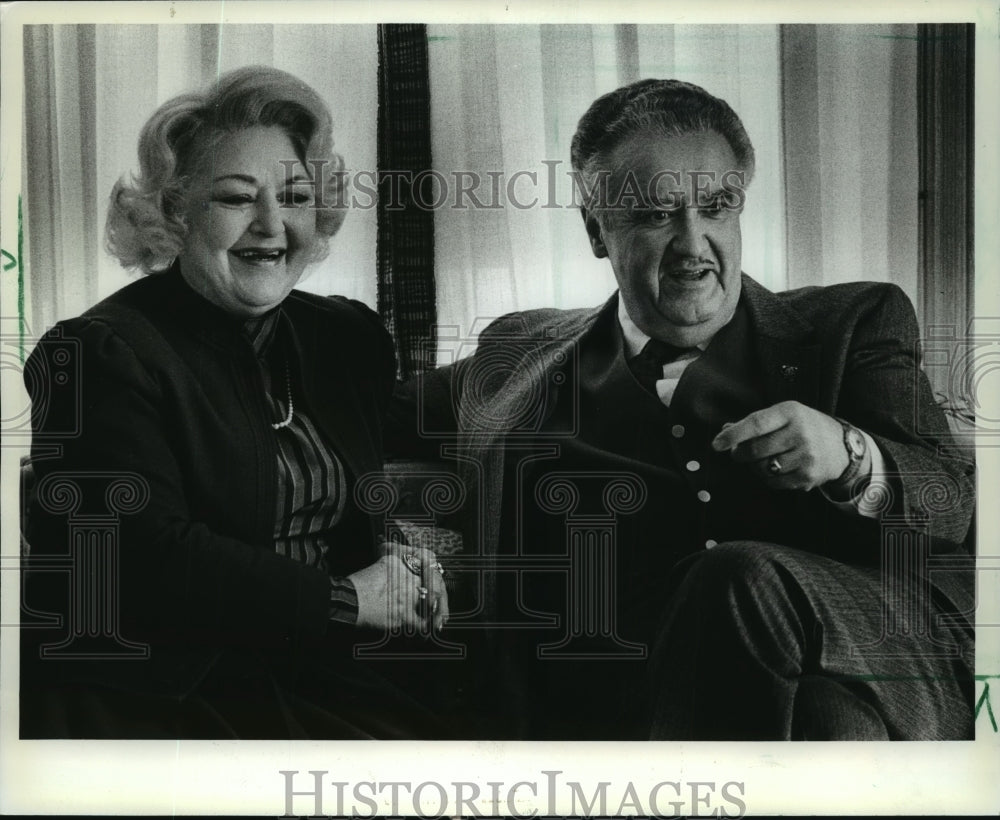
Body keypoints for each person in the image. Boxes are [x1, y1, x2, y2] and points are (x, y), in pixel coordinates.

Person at [387, 78, 976, 740]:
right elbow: (372, 411)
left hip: (847, 648)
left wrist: (851, 456)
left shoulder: (850, 326)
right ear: (596, 231)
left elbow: (950, 504)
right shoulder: (522, 357)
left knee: (750, 594)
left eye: (716, 207)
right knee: (826, 724)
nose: (694, 245)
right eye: (655, 215)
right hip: (623, 708)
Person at [21, 66, 453, 739]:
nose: (272, 225)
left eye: (295, 195)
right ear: (172, 211)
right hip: (167, 688)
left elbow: (388, 444)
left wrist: (401, 562)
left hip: (322, 665)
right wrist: (346, 599)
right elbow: (141, 560)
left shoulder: (343, 338)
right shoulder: (97, 355)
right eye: (235, 198)